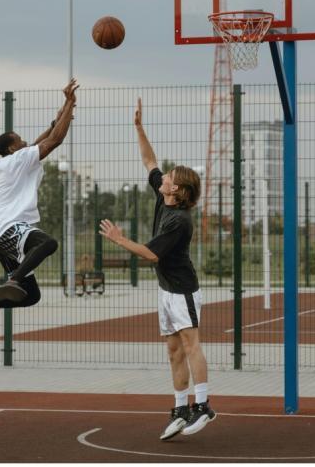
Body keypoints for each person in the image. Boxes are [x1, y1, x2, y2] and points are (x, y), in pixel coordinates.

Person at [98, 97, 215, 440]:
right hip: (166, 290)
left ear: (176, 189)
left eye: (169, 176)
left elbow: (150, 255)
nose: (162, 175)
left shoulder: (179, 221)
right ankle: (180, 408)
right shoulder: (163, 195)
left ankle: (204, 405)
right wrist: (138, 126)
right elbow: (150, 160)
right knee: (173, 348)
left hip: (182, 290)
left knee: (192, 345)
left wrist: (119, 239)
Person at [0, 78, 80, 330]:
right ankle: (14, 279)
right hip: (10, 230)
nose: (24, 143)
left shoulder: (10, 163)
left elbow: (43, 139)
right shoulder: (16, 160)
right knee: (48, 243)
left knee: (31, 296)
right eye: (19, 141)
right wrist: (70, 103)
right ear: (11, 148)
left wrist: (61, 115)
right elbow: (54, 141)